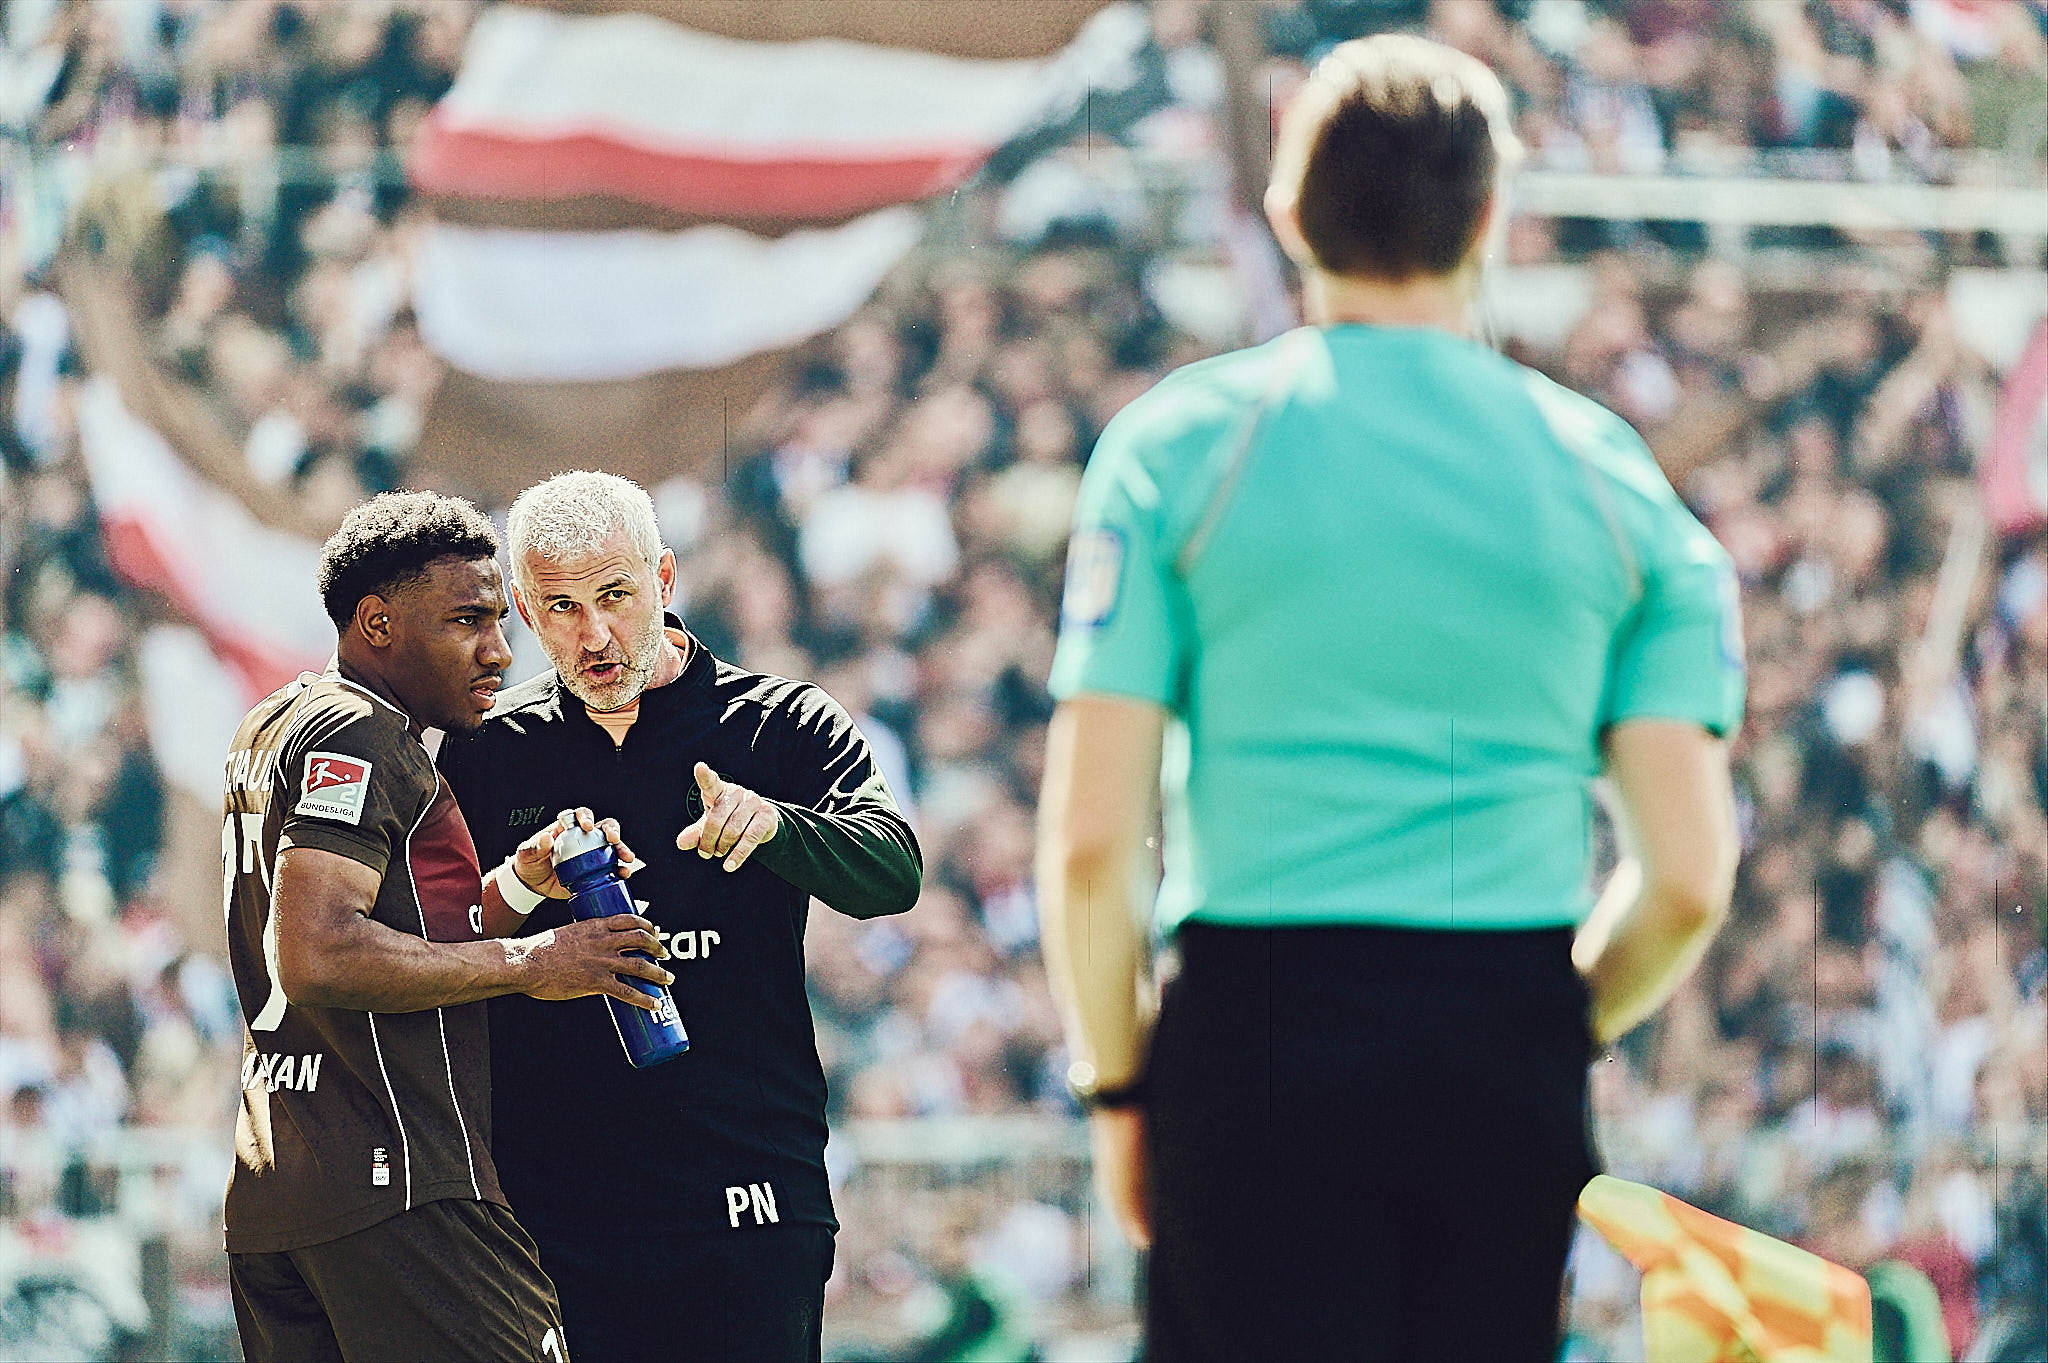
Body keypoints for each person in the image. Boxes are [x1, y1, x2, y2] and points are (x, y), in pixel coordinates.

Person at [1034, 34, 1746, 1363]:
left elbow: (1088, 842)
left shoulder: (1178, 452)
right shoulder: (1615, 485)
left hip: (1254, 1033)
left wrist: (1119, 1084)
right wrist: (1543, 1027)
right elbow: (1688, 879)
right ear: (1489, 219)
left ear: (1287, 212)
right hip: (1503, 1028)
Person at [436, 470, 923, 1363]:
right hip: (555, 1216)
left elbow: (893, 870)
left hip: (748, 1197)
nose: (595, 635)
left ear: (664, 578)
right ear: (524, 610)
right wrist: (524, 887)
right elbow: (429, 944)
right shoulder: (486, 752)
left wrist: (774, 826)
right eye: (562, 607)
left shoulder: (781, 723)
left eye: (616, 596)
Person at [223, 491, 671, 1362]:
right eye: (467, 620)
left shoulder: (274, 720)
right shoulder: (359, 732)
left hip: (280, 1193)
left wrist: (521, 885)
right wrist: (532, 960)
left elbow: (400, 933)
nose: (499, 649)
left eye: (499, 619)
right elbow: (315, 950)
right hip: (401, 1185)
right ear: (377, 623)